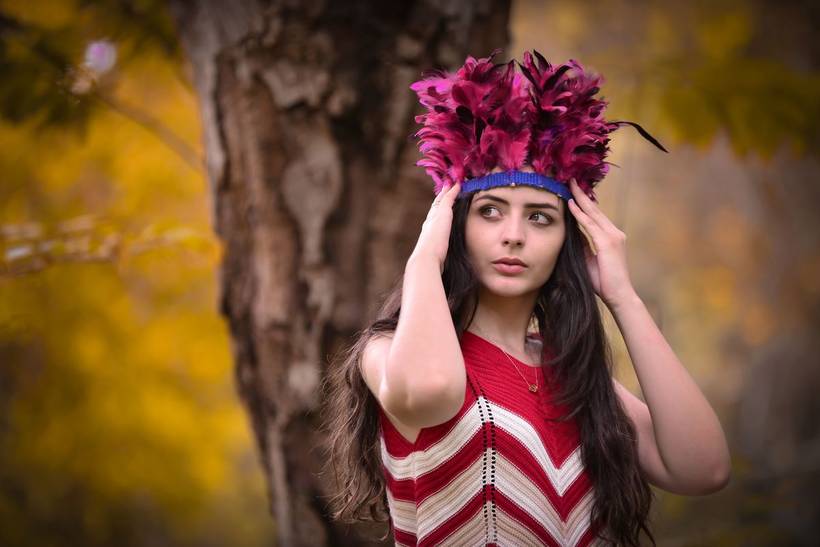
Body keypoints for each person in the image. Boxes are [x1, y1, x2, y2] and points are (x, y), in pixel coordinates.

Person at [322, 50, 731, 546]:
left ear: (567, 242)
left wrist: (622, 297)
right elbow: (431, 391)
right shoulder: (387, 352)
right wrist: (425, 257)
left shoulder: (574, 376)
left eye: (539, 217)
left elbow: (703, 469)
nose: (514, 235)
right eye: (490, 212)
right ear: (454, 226)